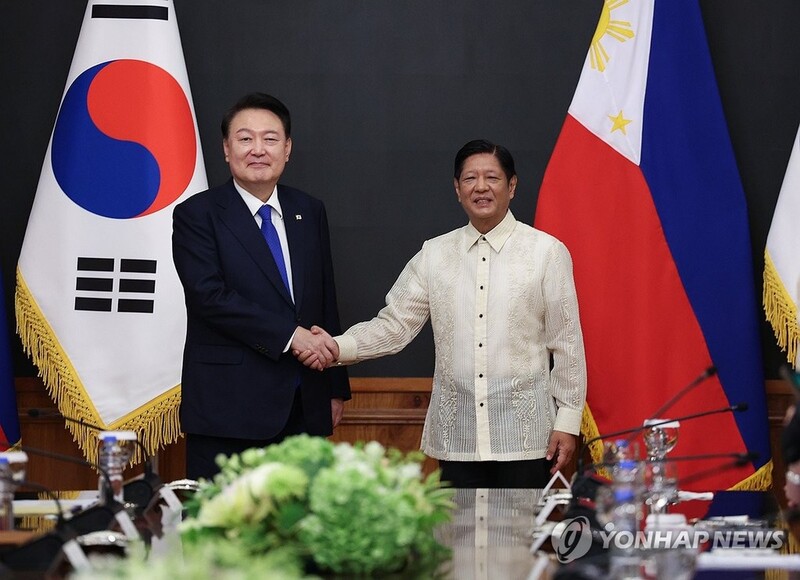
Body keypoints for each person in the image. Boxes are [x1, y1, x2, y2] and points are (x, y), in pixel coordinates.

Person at [299, 139, 586, 488]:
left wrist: (567, 421)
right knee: (456, 525)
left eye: (492, 177)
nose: (480, 187)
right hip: (457, 439)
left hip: (526, 439)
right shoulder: (434, 254)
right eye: (470, 178)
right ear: (457, 189)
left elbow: (567, 343)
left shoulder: (546, 252)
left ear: (512, 186)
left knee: (523, 526)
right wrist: (335, 347)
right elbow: (395, 325)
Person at [172, 92, 350, 480]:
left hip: (304, 405)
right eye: (245, 138)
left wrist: (334, 387)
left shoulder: (309, 210)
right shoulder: (197, 214)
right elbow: (209, 297)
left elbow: (325, 298)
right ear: (226, 148)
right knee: (223, 518)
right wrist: (290, 335)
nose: (258, 149)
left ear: (287, 149)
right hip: (228, 411)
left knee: (299, 517)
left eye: (270, 139)